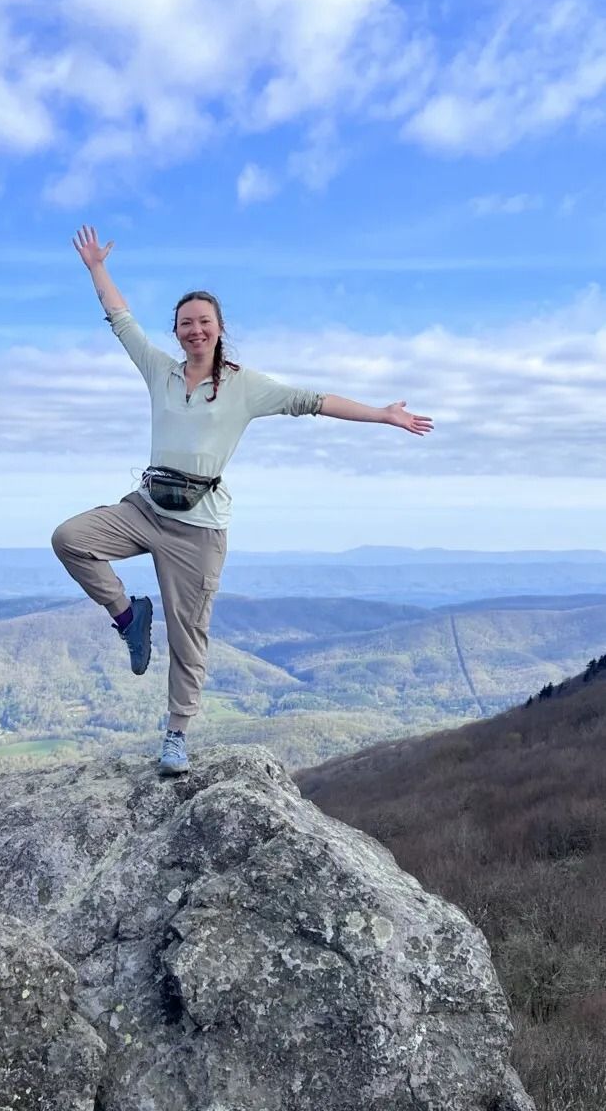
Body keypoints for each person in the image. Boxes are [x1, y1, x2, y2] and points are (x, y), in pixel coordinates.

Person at [52, 225, 433, 777]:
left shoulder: (243, 385)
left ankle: (176, 736)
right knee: (71, 539)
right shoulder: (160, 371)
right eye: (186, 323)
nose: (195, 330)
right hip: (145, 508)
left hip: (198, 530)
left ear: (220, 328)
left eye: (204, 321)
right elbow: (121, 321)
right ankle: (129, 617)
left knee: (189, 638)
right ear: (177, 332)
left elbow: (313, 400)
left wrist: (382, 413)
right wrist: (95, 268)